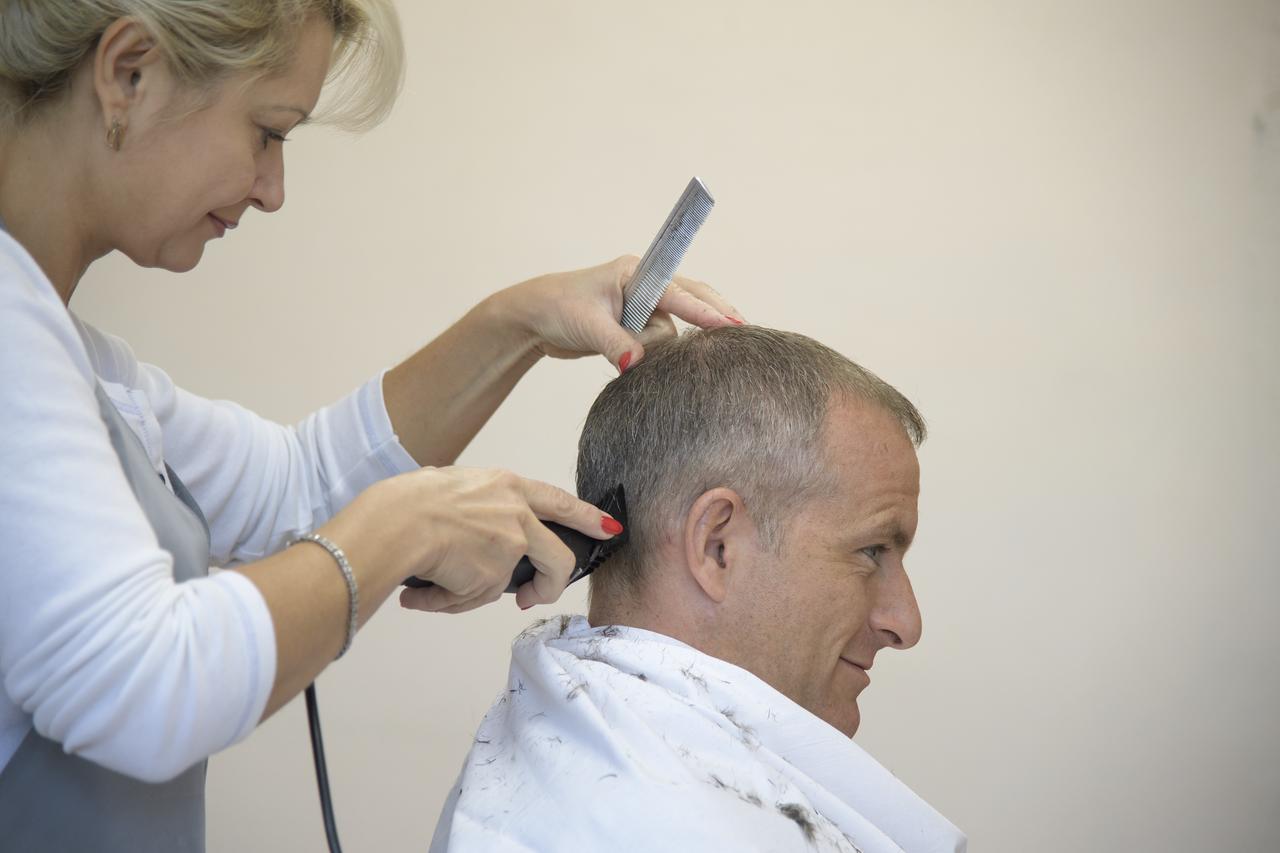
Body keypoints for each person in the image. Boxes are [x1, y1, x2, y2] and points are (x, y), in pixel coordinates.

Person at [0, 2, 743, 850]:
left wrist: (521, 322)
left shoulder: (74, 361)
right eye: (269, 132)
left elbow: (298, 487)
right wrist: (415, 522)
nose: (273, 189)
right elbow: (138, 683)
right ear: (129, 71)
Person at [431, 325, 967, 853]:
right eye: (871, 551)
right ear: (718, 547)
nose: (905, 622)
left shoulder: (576, 757)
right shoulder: (643, 829)